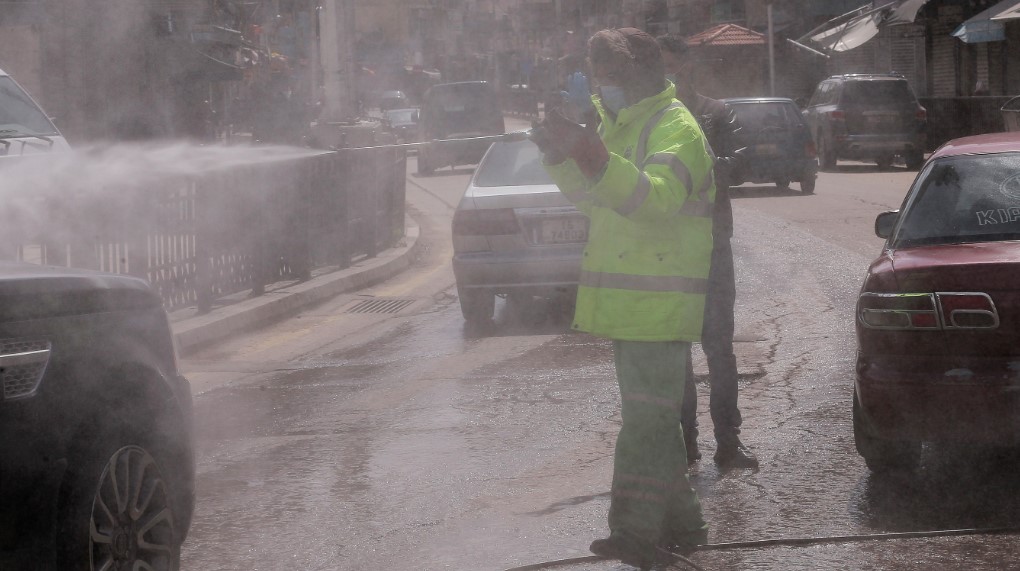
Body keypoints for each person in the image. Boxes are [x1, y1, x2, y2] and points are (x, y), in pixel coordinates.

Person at [530, 28, 713, 569]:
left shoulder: (675, 128)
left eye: (604, 80)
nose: (598, 92)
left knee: (648, 422)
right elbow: (595, 202)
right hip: (634, 307)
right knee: (654, 419)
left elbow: (655, 200)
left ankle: (632, 531)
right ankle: (685, 522)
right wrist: (563, 157)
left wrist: (593, 154)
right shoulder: (621, 124)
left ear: (632, 78)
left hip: (661, 304)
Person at [657, 33, 759, 470]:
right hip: (667, 253)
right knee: (676, 351)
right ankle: (685, 443)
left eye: (674, 67)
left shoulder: (715, 113)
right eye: (660, 68)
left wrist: (697, 164)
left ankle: (728, 442)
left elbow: (739, 165)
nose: (670, 76)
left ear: (689, 67)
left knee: (719, 349)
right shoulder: (652, 120)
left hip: (712, 247)